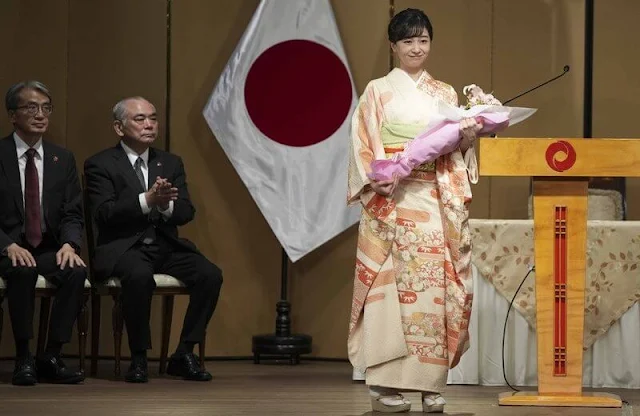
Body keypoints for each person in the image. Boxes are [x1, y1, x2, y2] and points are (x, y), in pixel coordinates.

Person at [347, 9, 482, 413]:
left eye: (423, 40)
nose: (416, 48)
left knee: (434, 290)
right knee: (387, 292)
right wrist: (376, 176)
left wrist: (467, 137)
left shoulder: (445, 93)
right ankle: (385, 385)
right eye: (408, 41)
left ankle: (428, 384)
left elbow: (454, 151)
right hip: (390, 201)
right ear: (393, 46)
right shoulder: (376, 91)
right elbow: (361, 142)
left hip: (431, 199)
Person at [84, 96, 223, 383]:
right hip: (125, 247)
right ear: (119, 128)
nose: (149, 125)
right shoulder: (100, 164)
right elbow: (104, 213)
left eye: (153, 118)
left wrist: (163, 204)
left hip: (165, 246)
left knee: (210, 275)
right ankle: (138, 357)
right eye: (140, 119)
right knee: (139, 276)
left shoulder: (170, 162)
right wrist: (146, 200)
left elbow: (186, 211)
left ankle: (183, 353)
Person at [0, 81, 86, 386]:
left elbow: (73, 212)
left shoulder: (61, 159)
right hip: (8, 248)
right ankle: (23, 356)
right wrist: (7, 244)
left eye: (46, 108)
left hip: (48, 246)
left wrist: (69, 244)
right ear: (12, 115)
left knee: (76, 271)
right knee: (23, 269)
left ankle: (50, 355)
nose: (40, 114)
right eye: (31, 107)